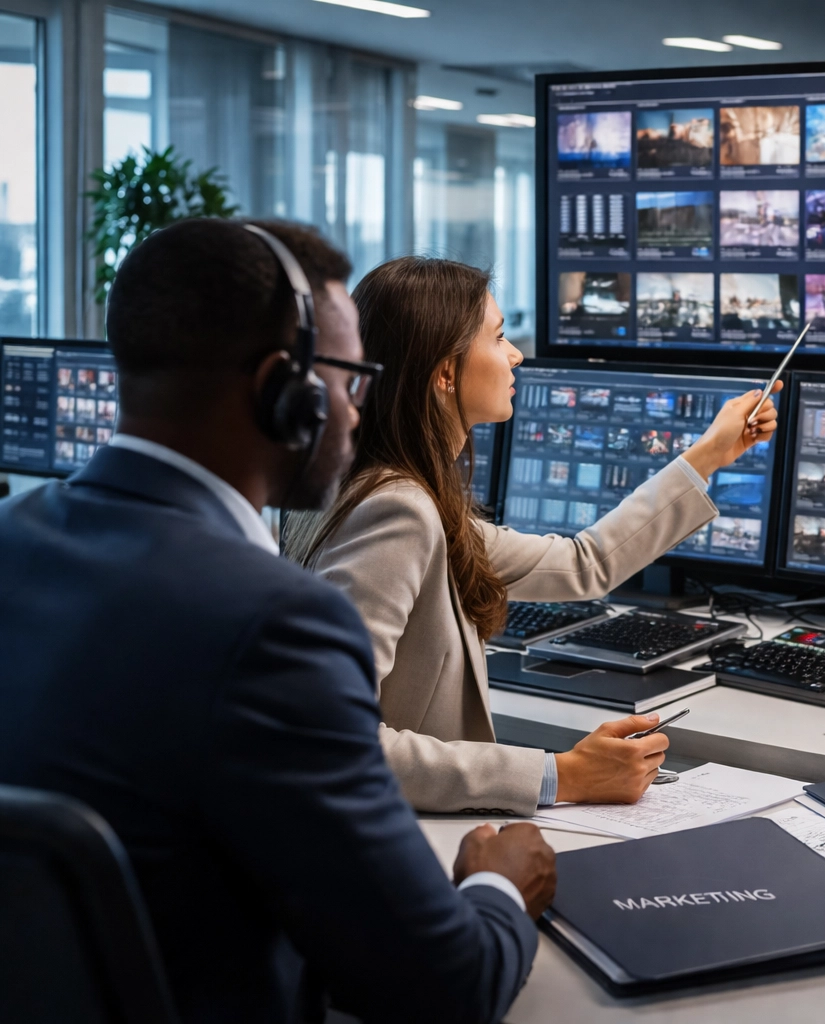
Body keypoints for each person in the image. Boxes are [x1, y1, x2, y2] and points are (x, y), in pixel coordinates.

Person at [0, 219, 558, 1023]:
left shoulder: (14, 538)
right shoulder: (275, 627)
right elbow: (445, 985)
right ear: (281, 393)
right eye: (350, 379)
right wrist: (501, 885)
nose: (360, 409)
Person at [285, 256, 780, 815]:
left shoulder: (382, 488)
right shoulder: (396, 511)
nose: (516, 354)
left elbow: (584, 563)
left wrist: (711, 453)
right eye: (498, 338)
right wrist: (561, 775)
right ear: (445, 374)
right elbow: (328, 736)